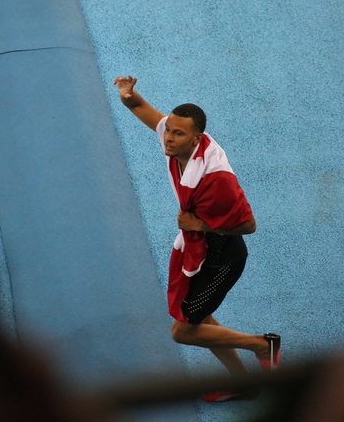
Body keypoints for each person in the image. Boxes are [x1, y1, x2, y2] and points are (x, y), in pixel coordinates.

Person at [114, 75, 281, 402]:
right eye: (170, 130)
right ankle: (242, 383)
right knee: (200, 318)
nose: (169, 138)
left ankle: (263, 344)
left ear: (196, 139)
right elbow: (142, 108)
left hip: (222, 257)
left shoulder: (216, 178)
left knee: (183, 331)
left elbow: (249, 225)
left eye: (178, 133)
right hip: (199, 249)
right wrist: (127, 94)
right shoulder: (174, 137)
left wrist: (201, 225)